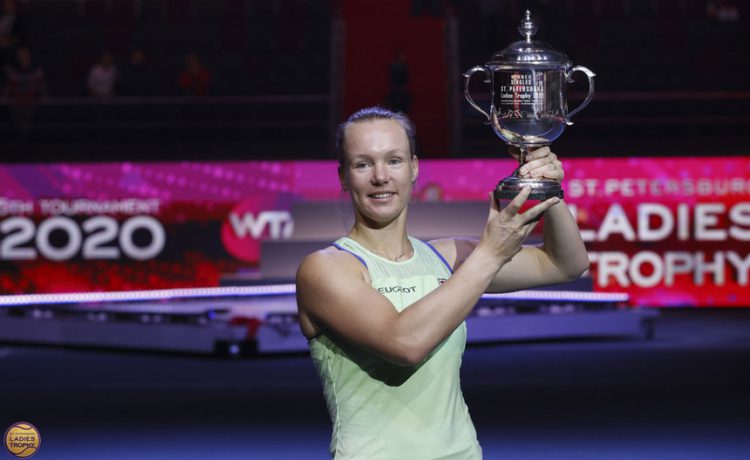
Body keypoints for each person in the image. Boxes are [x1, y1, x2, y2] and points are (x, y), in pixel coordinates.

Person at [295, 106, 589, 459]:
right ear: (343, 177)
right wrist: (489, 254)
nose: (380, 177)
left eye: (394, 161)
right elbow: (405, 344)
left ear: (414, 168)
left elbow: (564, 264)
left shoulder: (446, 257)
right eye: (363, 164)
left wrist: (546, 185)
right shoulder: (325, 268)